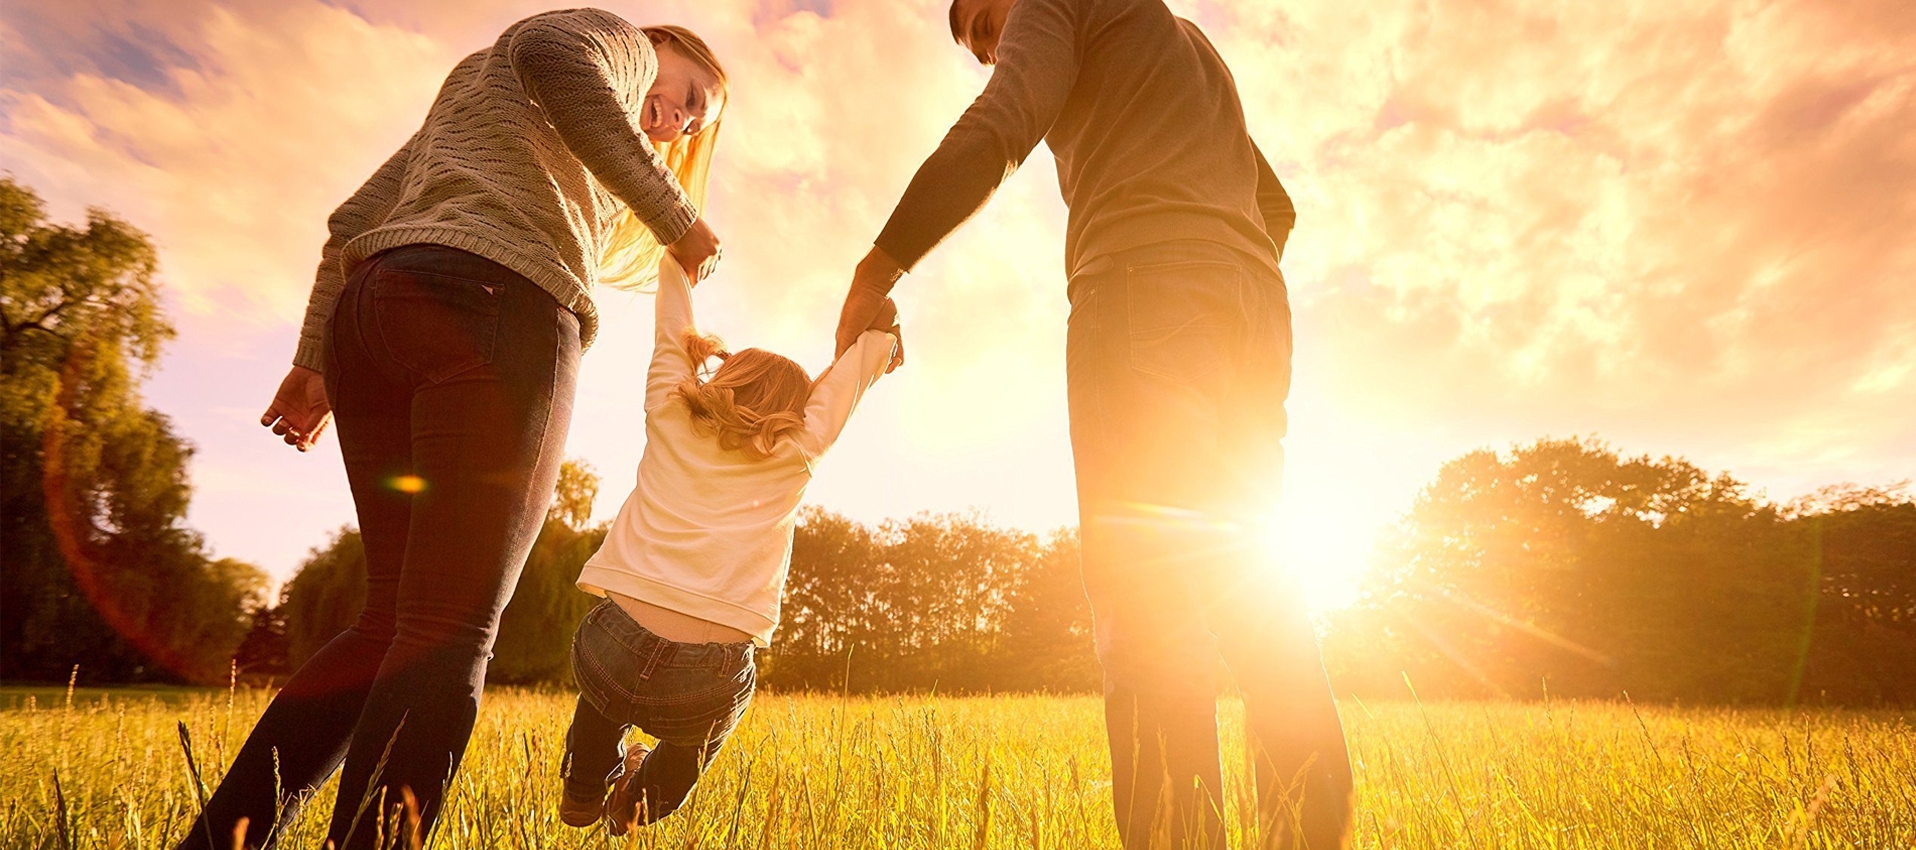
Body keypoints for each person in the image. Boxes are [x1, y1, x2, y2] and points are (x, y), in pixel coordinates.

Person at [184, 10, 729, 849]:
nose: (682, 121)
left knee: (390, 623)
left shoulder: (477, 89)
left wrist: (315, 360)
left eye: (696, 122)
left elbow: (350, 221)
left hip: (375, 316)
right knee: (448, 629)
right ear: (662, 48)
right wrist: (674, 214)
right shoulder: (611, 41)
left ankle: (219, 842)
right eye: (689, 93)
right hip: (498, 305)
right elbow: (556, 54)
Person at [832, 0, 1354, 847]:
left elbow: (1005, 122)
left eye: (988, 24)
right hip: (1256, 313)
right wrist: (1216, 273)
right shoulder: (1183, 43)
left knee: (1147, 599)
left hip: (1142, 291)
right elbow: (1277, 206)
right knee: (1257, 594)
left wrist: (876, 266)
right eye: (975, 45)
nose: (989, 48)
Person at [557, 257, 900, 833]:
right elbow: (855, 372)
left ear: (724, 378)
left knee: (603, 699)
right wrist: (881, 336)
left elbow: (671, 328)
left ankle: (585, 789)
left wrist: (677, 262)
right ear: (797, 411)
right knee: (698, 739)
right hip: (708, 671)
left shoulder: (669, 409)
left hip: (612, 643)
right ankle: (639, 805)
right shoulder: (799, 449)